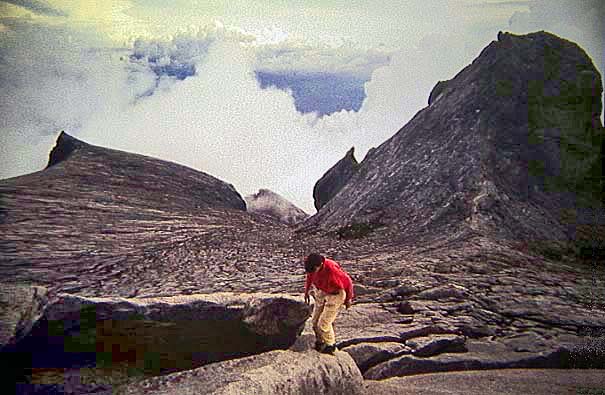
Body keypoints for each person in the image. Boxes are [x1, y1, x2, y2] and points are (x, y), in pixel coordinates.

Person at [303, 253, 354, 355]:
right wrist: (307, 291)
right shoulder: (311, 265)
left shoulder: (331, 269)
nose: (312, 272)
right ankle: (320, 341)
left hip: (335, 294)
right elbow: (310, 276)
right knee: (314, 322)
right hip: (321, 291)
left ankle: (330, 345)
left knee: (323, 323)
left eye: (314, 270)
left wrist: (348, 299)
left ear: (320, 265)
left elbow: (348, 282)